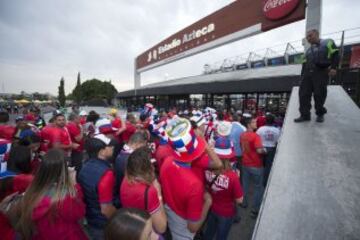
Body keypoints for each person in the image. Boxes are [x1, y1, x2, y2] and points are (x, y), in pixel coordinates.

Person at [160, 117, 217, 239]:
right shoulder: (195, 185)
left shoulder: (167, 161)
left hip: (170, 211)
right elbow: (193, 227)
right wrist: (208, 202)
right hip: (182, 225)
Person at [17, 149, 88, 240]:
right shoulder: (66, 197)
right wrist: (74, 186)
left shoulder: (32, 190)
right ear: (64, 170)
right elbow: (79, 213)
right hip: (65, 235)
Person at [294, 29, 339, 123]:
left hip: (321, 73)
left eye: (310, 36)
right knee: (303, 95)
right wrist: (302, 78)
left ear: (317, 34)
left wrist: (334, 67)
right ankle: (305, 115)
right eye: (307, 37)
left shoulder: (328, 42)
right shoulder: (308, 50)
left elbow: (335, 54)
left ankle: (320, 114)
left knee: (319, 94)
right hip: (307, 74)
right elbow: (303, 64)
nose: (308, 38)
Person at [204, 137, 244, 240]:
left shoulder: (206, 168)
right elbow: (239, 200)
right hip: (226, 212)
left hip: (211, 207)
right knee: (221, 236)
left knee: (209, 233)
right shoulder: (233, 176)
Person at [120, 147, 167, 234]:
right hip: (146, 231)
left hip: (133, 227)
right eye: (151, 164)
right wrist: (159, 194)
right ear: (145, 169)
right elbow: (161, 227)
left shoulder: (126, 178)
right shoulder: (149, 191)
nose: (153, 167)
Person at [78, 134, 117, 240]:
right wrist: (117, 219)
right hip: (103, 222)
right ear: (101, 151)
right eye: (109, 146)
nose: (113, 147)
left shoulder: (85, 165)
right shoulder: (106, 174)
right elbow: (106, 209)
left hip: (91, 218)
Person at [240, 116, 266, 218]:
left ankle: (244, 203)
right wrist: (265, 150)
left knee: (245, 185)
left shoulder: (242, 135)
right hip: (256, 165)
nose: (256, 123)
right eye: (254, 122)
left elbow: (243, 148)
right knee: (258, 188)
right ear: (248, 124)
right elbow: (259, 150)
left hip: (245, 163)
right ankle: (254, 210)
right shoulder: (256, 136)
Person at [113, 131, 148, 208]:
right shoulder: (130, 158)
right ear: (137, 144)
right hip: (127, 193)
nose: (143, 149)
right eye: (143, 146)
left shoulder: (122, 152)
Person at [256, 113, 281, 186]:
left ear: (265, 120)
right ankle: (266, 182)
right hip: (272, 149)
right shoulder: (277, 130)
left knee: (260, 165)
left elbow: (256, 138)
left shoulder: (260, 129)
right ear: (273, 121)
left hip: (261, 148)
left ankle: (259, 181)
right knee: (268, 166)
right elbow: (278, 141)